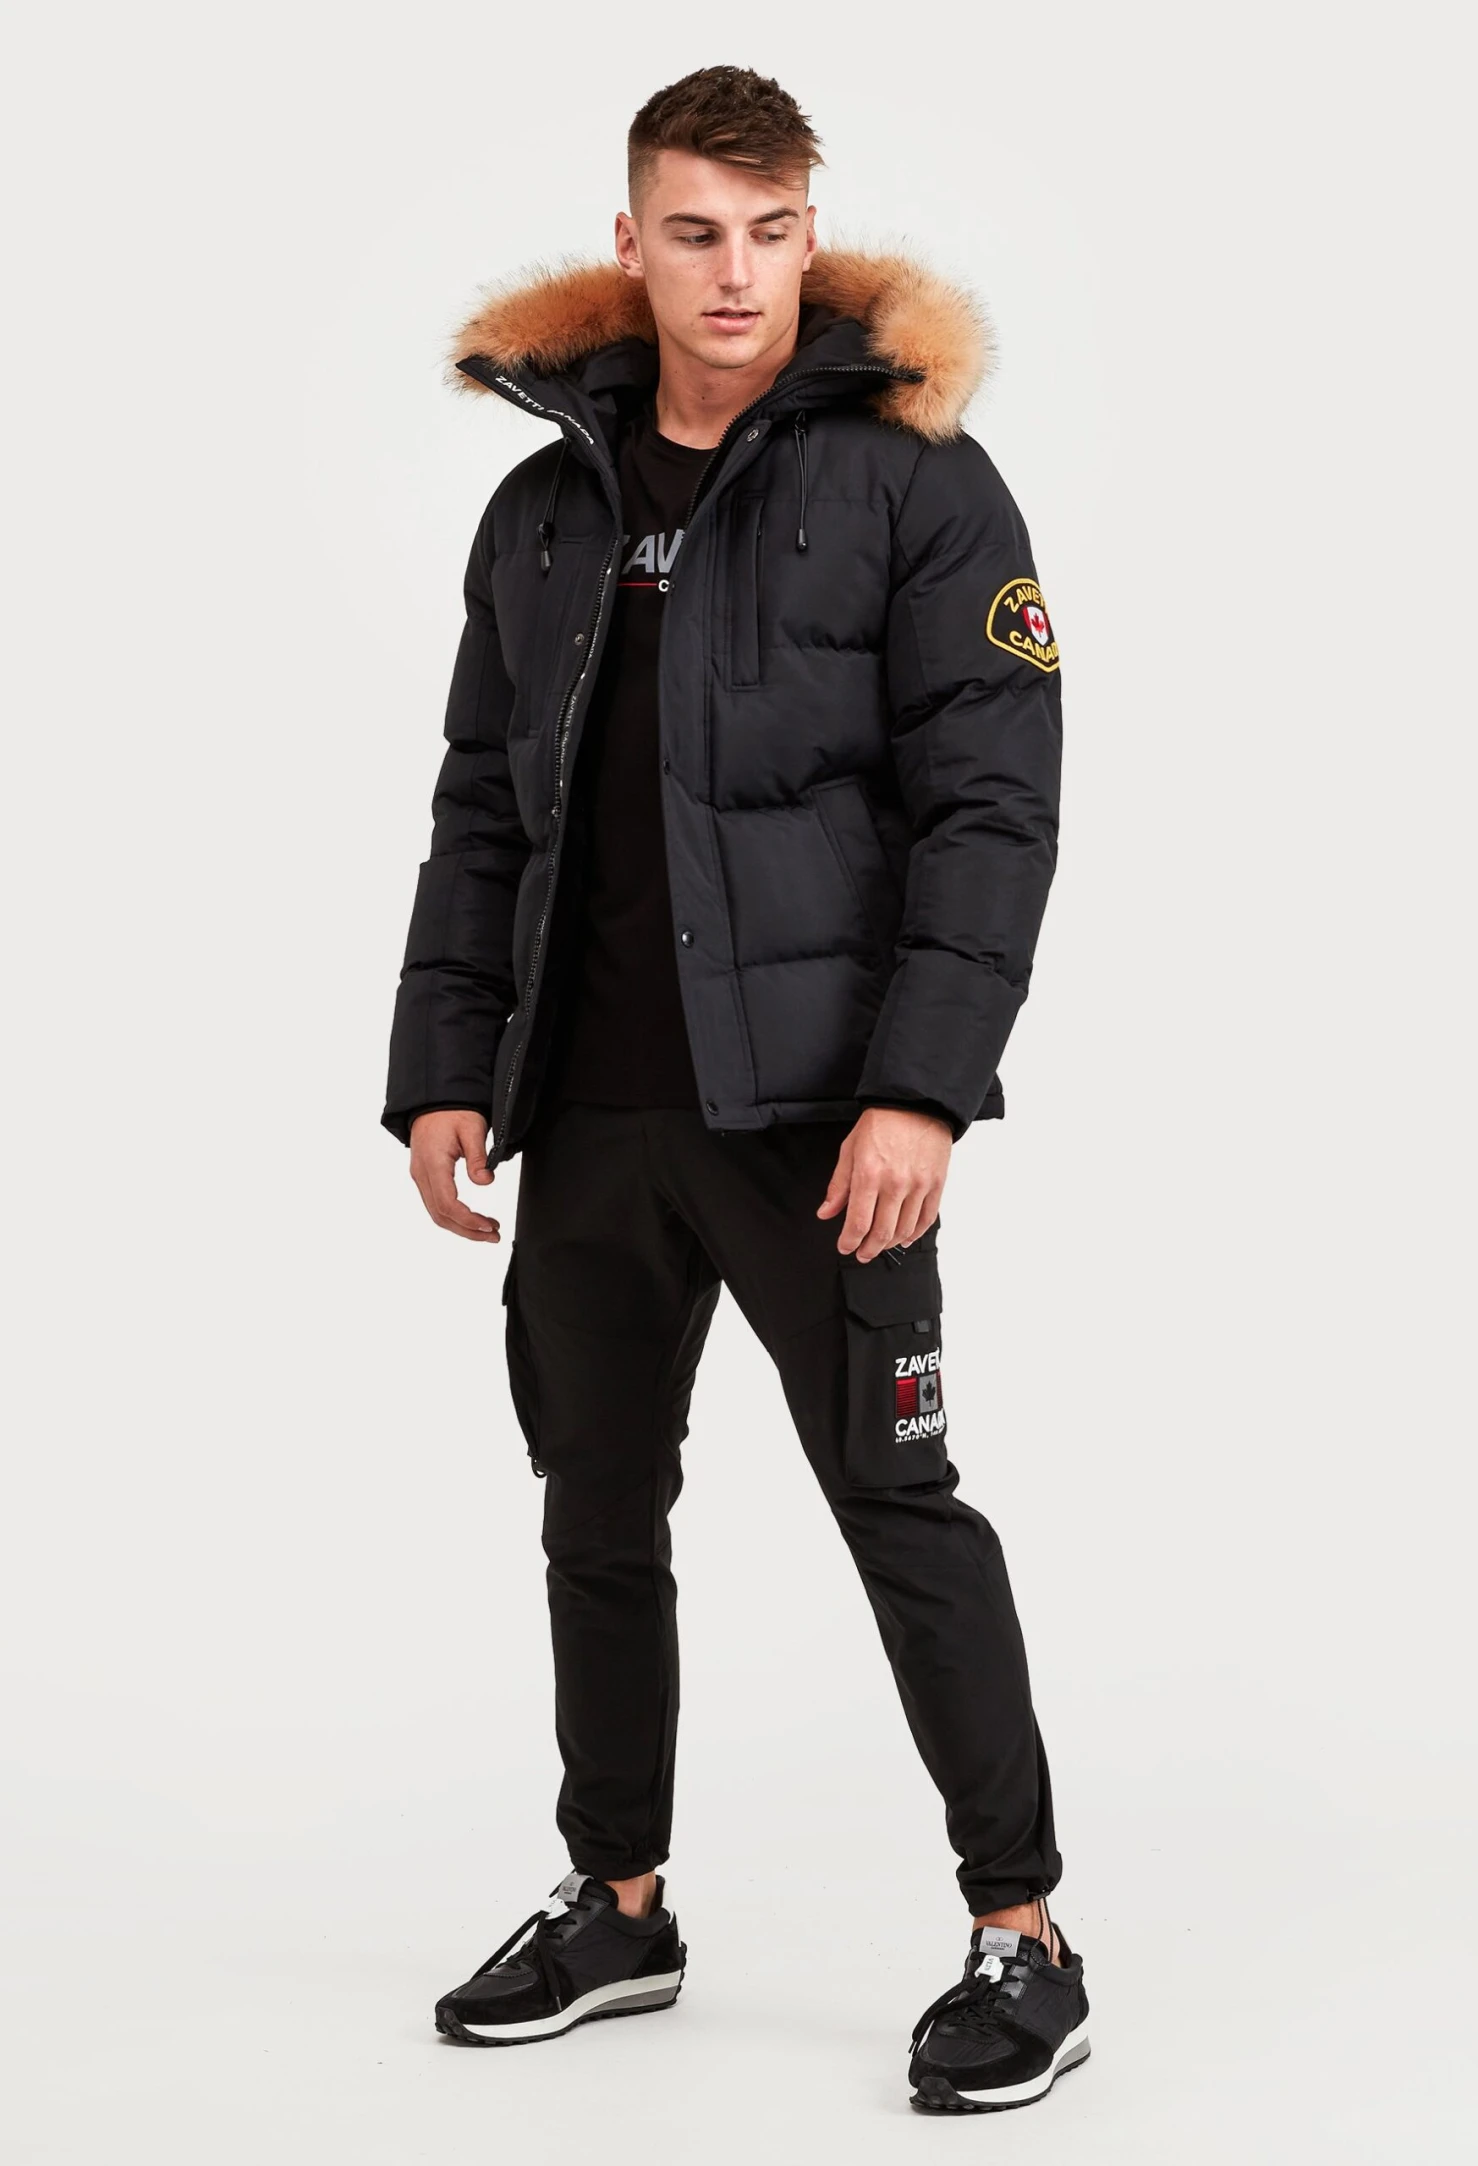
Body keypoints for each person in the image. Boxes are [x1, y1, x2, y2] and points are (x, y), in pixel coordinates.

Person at [381, 64, 1086, 2114]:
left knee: (899, 1501)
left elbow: (994, 809)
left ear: (809, 235)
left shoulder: (920, 483)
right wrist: (444, 1069)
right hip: (592, 1114)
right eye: (696, 232)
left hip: (819, 1123)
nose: (735, 275)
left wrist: (922, 1093)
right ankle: (619, 1901)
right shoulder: (545, 511)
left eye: (771, 234)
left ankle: (1026, 1933)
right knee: (596, 1510)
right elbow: (481, 815)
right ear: (633, 242)